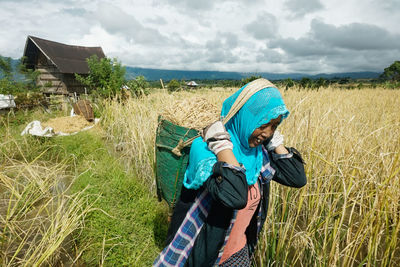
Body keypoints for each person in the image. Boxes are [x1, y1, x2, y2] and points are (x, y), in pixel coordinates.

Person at [154, 81, 307, 267]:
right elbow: (234, 195)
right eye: (263, 125)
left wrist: (275, 142)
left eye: (274, 126)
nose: (266, 133)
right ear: (245, 117)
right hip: (204, 256)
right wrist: (221, 144)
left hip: (238, 252)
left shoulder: (257, 155)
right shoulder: (205, 150)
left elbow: (297, 178)